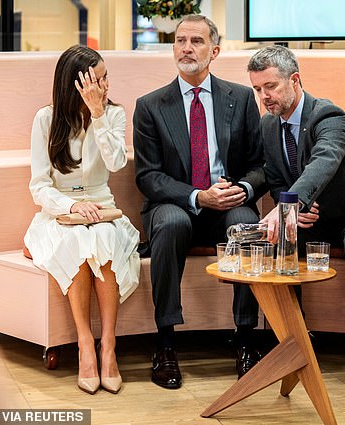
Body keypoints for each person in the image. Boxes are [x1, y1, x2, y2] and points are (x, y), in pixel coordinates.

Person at [247, 45, 345, 388]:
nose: (264, 97)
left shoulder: (329, 116)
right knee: (278, 242)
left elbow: (324, 162)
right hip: (312, 218)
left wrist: (291, 205)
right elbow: (277, 180)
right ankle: (297, 340)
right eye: (258, 89)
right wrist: (293, 210)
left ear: (295, 80)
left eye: (270, 87)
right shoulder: (268, 126)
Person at [133, 15, 265, 389]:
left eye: (196, 41)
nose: (186, 48)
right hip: (175, 203)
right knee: (172, 223)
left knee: (244, 223)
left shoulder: (239, 98)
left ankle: (245, 338)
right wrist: (197, 196)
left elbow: (260, 165)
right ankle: (165, 342)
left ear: (215, 51)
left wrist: (242, 188)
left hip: (227, 201)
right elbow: (148, 177)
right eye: (180, 41)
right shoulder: (150, 106)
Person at [24, 45, 141, 395]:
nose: (105, 85)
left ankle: (109, 346)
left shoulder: (114, 114)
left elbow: (116, 162)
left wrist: (98, 114)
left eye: (106, 78)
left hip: (104, 208)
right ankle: (85, 345)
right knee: (76, 241)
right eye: (98, 79)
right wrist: (71, 208)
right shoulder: (46, 119)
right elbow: (39, 185)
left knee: (103, 239)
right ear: (77, 83)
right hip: (60, 212)